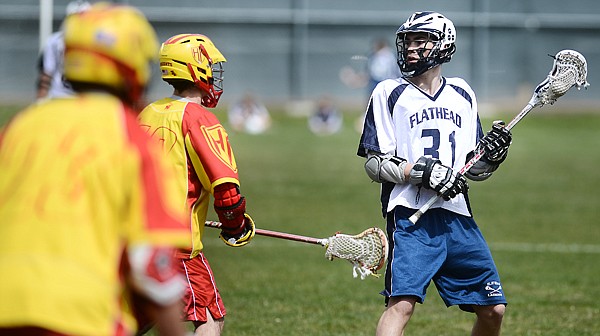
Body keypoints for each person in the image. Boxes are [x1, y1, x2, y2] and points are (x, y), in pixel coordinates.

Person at [0, 3, 191, 336]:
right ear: (131, 67)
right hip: (83, 316)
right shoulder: (132, 137)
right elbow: (152, 265)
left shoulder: (21, 125)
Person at [356, 11, 512, 335]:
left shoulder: (463, 94)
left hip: (457, 215)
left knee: (493, 308)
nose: (411, 48)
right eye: (408, 42)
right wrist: (419, 172)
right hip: (412, 216)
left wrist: (492, 158)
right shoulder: (389, 92)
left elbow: (473, 166)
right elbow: (373, 163)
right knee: (400, 305)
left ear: (443, 45)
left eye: (420, 41)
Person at [138, 33, 256, 336]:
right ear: (196, 68)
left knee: (142, 315)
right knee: (209, 317)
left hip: (137, 238)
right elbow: (226, 191)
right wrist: (235, 226)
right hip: (177, 244)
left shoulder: (147, 112)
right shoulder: (199, 119)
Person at [36, 0, 91, 99]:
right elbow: (46, 73)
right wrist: (40, 100)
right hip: (60, 96)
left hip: (85, 98)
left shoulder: (95, 42)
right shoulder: (54, 41)